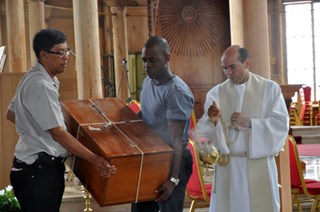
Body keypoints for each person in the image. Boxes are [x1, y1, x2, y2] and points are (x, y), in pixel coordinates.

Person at [6, 29, 116, 212]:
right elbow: (58, 133)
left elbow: (11, 113)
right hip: (38, 170)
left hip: (36, 168)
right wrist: (95, 159)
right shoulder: (40, 84)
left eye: (67, 51)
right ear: (44, 55)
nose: (66, 57)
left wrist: (38, 128)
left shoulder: (33, 78)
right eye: (60, 52)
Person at [197, 45, 289, 212]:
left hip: (258, 164)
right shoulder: (215, 93)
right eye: (224, 68)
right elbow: (204, 133)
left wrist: (251, 123)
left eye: (233, 67)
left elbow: (281, 125)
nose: (228, 73)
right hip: (228, 167)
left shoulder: (269, 89)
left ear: (247, 63)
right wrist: (213, 121)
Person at [131, 36, 194, 212]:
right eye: (144, 61)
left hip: (174, 160)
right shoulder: (147, 82)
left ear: (166, 58)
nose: (147, 65)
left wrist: (173, 179)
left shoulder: (176, 92)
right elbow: (147, 114)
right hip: (152, 157)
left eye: (152, 60)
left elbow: (176, 141)